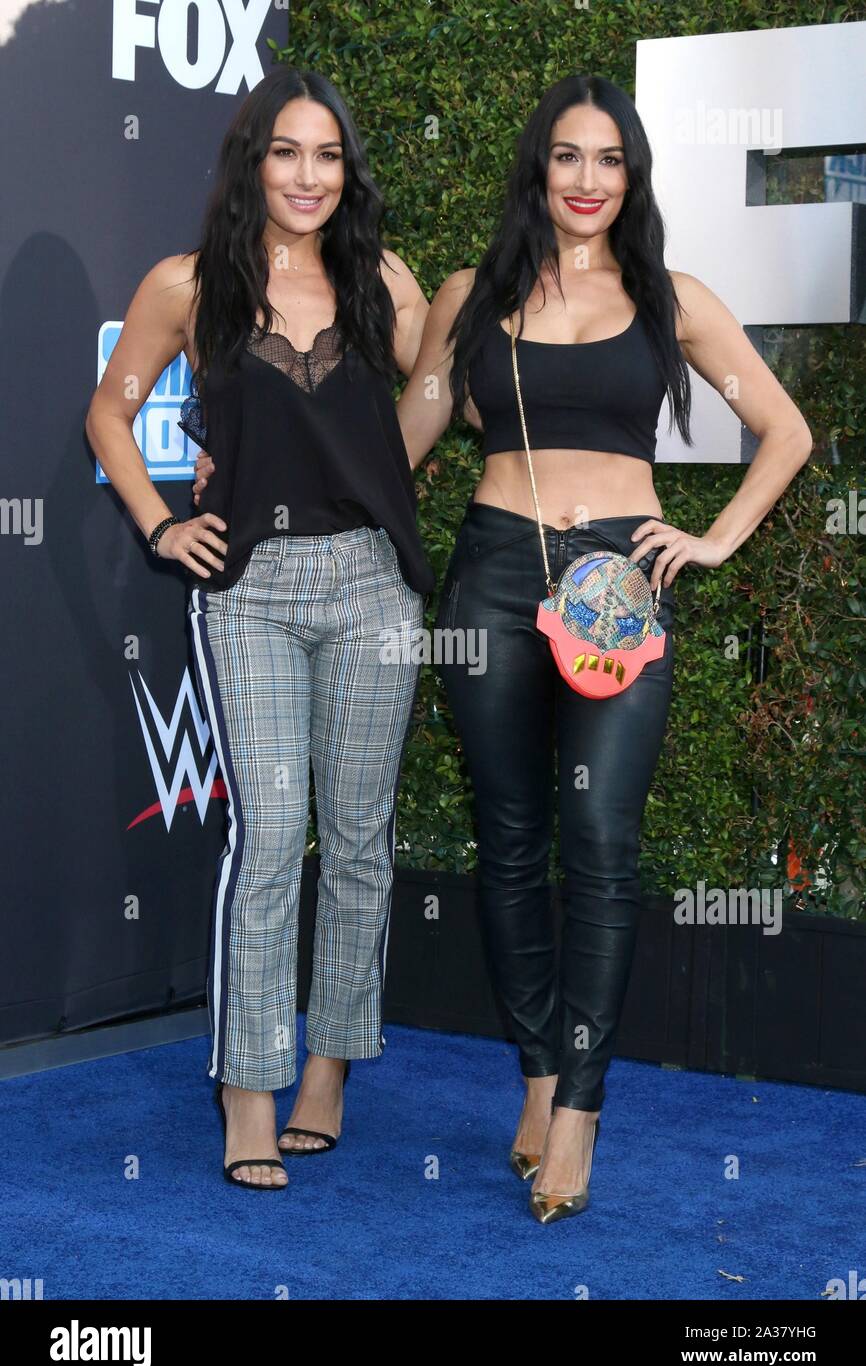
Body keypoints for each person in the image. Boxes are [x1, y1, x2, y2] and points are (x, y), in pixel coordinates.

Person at [393, 74, 812, 1223]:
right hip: (488, 576)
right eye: (566, 158)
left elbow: (785, 428)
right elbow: (404, 441)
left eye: (608, 160)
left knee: (599, 843)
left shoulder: (672, 298)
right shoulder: (469, 296)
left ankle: (578, 1110)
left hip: (618, 589)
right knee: (509, 841)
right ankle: (534, 1081)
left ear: (630, 177)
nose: (586, 180)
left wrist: (713, 540)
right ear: (537, 170)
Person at [86, 67, 433, 1190]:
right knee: (272, 830)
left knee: (362, 843)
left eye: (327, 155)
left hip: (372, 586)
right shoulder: (187, 285)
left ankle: (326, 1071)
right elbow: (111, 409)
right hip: (250, 591)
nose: (308, 175)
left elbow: (431, 401)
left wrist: (379, 485)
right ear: (252, 160)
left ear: (348, 171)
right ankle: (247, 1085)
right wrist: (155, 522)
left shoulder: (382, 281)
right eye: (287, 152)